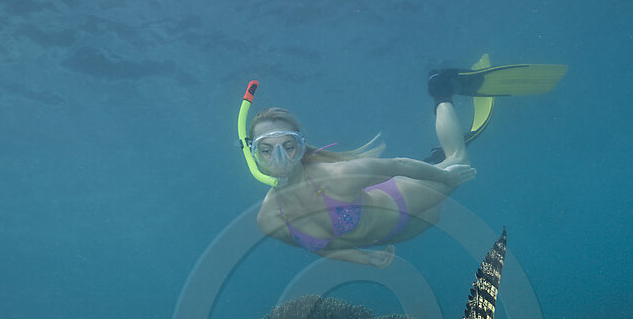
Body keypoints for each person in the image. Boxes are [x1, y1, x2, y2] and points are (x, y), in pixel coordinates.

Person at [241, 57, 567, 266]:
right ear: (253, 154)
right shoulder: (268, 219)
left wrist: (446, 178)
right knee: (437, 214)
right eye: (267, 149)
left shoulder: (336, 176)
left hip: (401, 201)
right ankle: (438, 160)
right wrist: (364, 260)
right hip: (399, 233)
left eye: (288, 146)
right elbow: (323, 248)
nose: (280, 158)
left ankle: (442, 89)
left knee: (458, 160)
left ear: (302, 147)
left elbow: (397, 164)